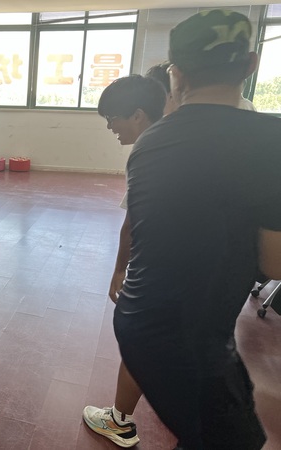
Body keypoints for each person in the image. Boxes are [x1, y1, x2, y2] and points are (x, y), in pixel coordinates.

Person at [113, 10, 279, 450]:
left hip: (143, 318)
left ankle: (120, 418)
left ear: (177, 73)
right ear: (250, 65)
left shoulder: (151, 141)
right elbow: (275, 263)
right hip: (188, 335)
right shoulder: (271, 139)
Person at [82, 73, 168, 449]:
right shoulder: (193, 138)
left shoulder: (149, 151)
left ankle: (119, 422)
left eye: (112, 118)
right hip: (210, 271)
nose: (110, 127)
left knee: (139, 339)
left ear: (137, 114)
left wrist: (120, 269)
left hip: (163, 267)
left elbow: (134, 222)